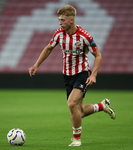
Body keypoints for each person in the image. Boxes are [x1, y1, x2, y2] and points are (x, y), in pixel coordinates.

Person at [28, 5, 116, 146]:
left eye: (62, 20)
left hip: (82, 74)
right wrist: (36, 65)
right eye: (59, 20)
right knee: (78, 112)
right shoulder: (59, 34)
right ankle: (102, 106)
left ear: (71, 20)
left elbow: (98, 55)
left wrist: (93, 75)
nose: (60, 23)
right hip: (67, 76)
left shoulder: (85, 36)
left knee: (71, 103)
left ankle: (76, 139)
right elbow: (49, 48)